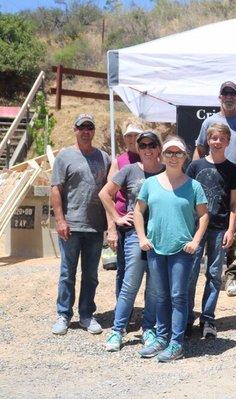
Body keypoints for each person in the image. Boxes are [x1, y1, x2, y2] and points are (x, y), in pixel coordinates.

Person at [134, 136, 209, 362]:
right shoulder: (150, 183)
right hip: (156, 248)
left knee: (178, 296)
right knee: (160, 296)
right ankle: (161, 338)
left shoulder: (194, 186)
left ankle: (177, 343)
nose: (173, 157)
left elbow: (204, 215)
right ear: (162, 156)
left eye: (178, 153)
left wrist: (195, 240)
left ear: (185, 156)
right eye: (169, 153)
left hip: (181, 250)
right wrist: (142, 238)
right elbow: (138, 211)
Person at [99, 131, 164, 352]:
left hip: (159, 236)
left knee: (154, 287)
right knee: (130, 284)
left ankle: (148, 329)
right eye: (143, 145)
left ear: (158, 148)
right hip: (135, 235)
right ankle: (117, 330)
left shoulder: (166, 172)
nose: (147, 149)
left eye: (151, 144)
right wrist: (116, 218)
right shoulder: (129, 170)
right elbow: (104, 194)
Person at [50, 114, 111, 335]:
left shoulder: (104, 157)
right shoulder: (65, 156)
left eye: (90, 127)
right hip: (71, 226)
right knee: (67, 273)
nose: (86, 131)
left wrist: (109, 224)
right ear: (75, 130)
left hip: (95, 227)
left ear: (93, 131)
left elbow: (109, 191)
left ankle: (86, 315)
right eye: (81, 127)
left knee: (91, 275)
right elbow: (56, 189)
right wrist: (60, 220)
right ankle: (63, 315)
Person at [194, 81, 236, 297]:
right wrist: (195, 181)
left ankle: (232, 276)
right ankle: (207, 272)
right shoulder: (209, 122)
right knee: (207, 228)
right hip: (210, 185)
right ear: (219, 97)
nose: (229, 97)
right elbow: (199, 149)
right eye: (225, 93)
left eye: (233, 94)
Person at [186, 123, 236, 339]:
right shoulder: (195, 166)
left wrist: (231, 229)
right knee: (189, 274)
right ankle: (186, 318)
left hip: (219, 228)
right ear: (208, 140)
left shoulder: (232, 169)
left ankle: (208, 318)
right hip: (196, 228)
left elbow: (235, 203)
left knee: (214, 275)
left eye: (221, 139)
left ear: (227, 142)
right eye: (213, 138)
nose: (217, 142)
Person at [106, 124, 142, 297]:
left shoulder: (151, 159)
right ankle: (123, 310)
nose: (132, 139)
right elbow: (108, 196)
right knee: (124, 268)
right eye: (129, 136)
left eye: (136, 135)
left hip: (147, 222)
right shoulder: (118, 162)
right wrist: (112, 227)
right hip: (124, 223)